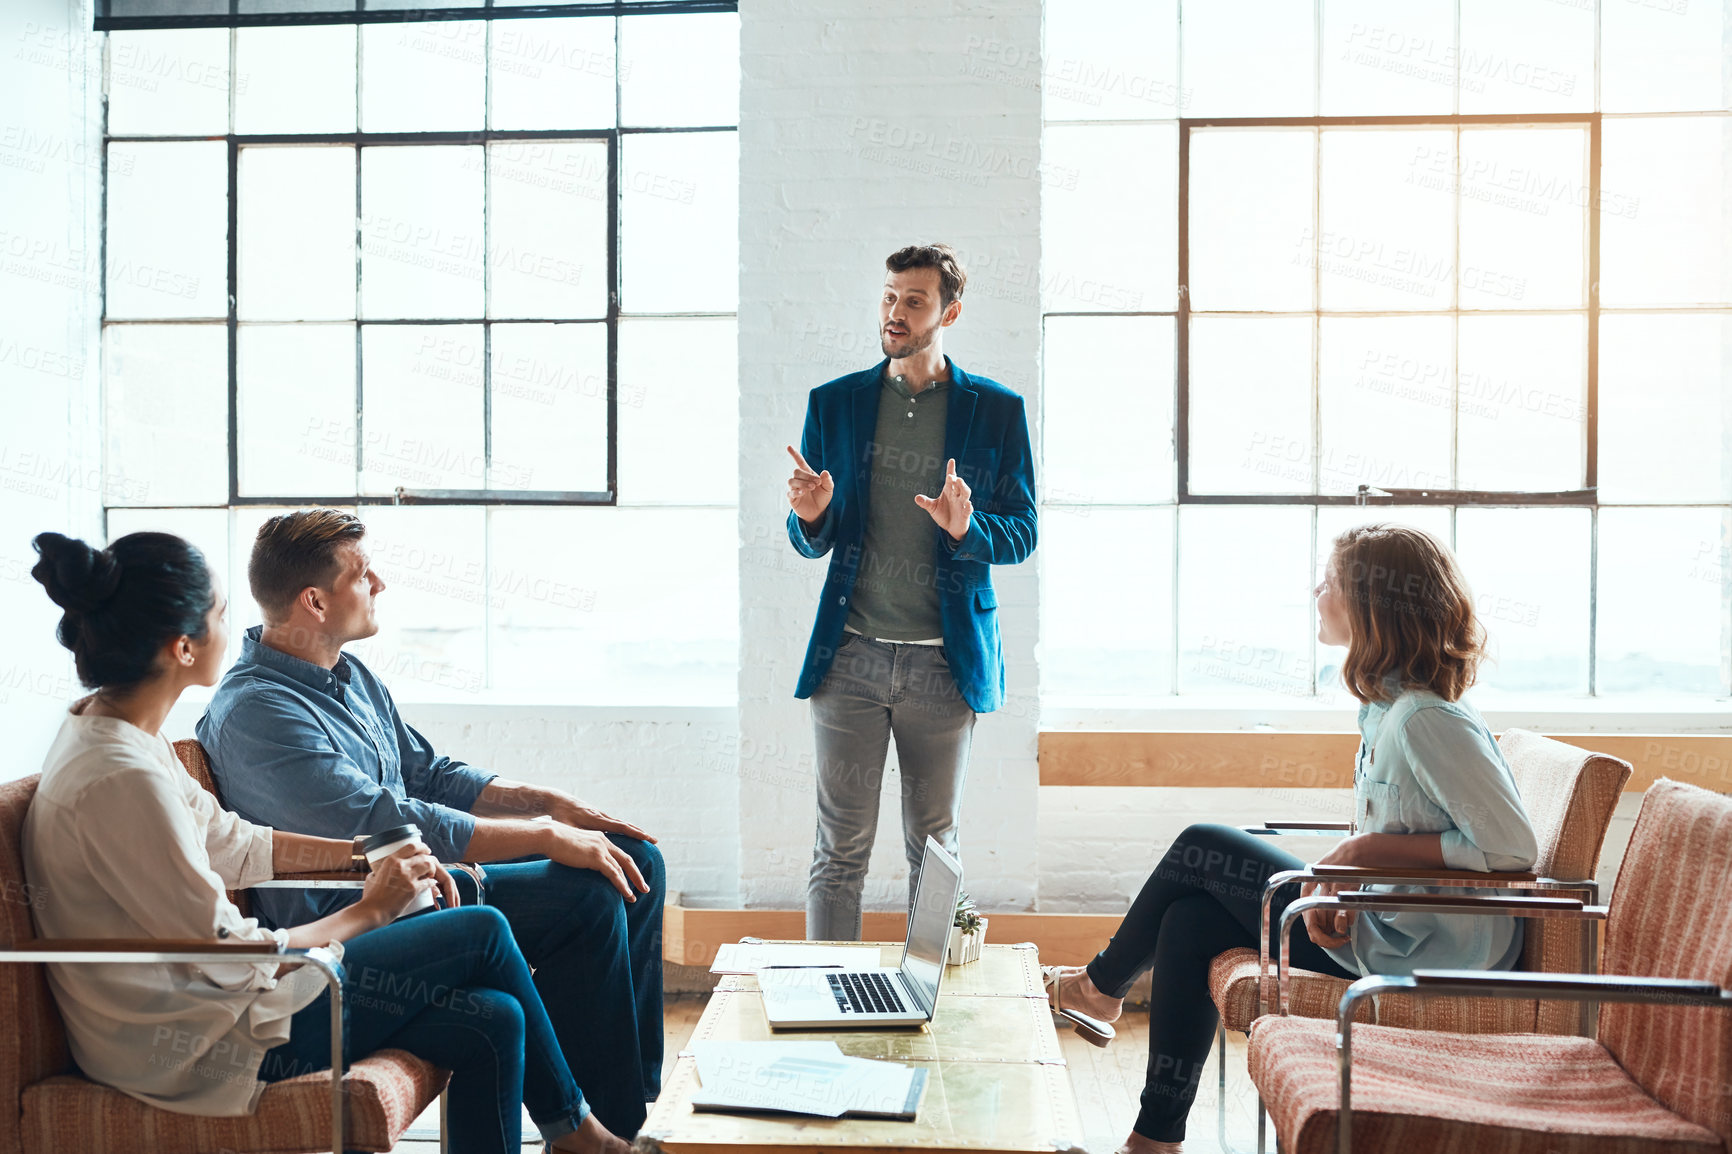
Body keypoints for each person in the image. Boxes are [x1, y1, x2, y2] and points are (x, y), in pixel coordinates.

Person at [21, 530, 630, 1154]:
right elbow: (230, 954)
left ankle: (576, 1132)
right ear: (182, 646)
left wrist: (374, 856)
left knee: (492, 1020)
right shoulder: (123, 778)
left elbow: (234, 842)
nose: (235, 629)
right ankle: (584, 1137)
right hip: (191, 1049)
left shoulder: (120, 734)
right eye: (222, 615)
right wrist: (371, 909)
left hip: (213, 1012)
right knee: (480, 930)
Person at [1042, 523, 1538, 1154]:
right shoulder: (1387, 711)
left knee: (1205, 844)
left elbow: (1510, 849)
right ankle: (1152, 1142)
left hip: (1430, 958)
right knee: (1190, 921)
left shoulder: (1426, 719)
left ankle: (1099, 986)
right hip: (1382, 928)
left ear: (1371, 603)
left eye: (1329, 583)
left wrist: (1359, 855)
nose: (1316, 592)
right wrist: (1347, 879)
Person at [195, 509, 664, 1138]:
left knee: (636, 857)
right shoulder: (257, 713)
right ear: (315, 600)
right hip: (382, 915)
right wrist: (548, 835)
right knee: (587, 897)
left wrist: (552, 803)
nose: (380, 585)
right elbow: (394, 822)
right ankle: (600, 1127)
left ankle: (632, 1107)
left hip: (429, 885)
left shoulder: (349, 674)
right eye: (363, 576)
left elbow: (430, 773)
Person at [785, 243, 1037, 942]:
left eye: (914, 301)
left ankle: (932, 1005)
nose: (895, 313)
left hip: (941, 664)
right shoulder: (833, 404)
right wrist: (811, 517)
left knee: (936, 846)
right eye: (890, 297)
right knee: (838, 849)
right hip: (851, 661)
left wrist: (969, 527)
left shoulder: (997, 412)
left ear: (949, 312)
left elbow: (1022, 532)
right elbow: (812, 533)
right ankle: (826, 1002)